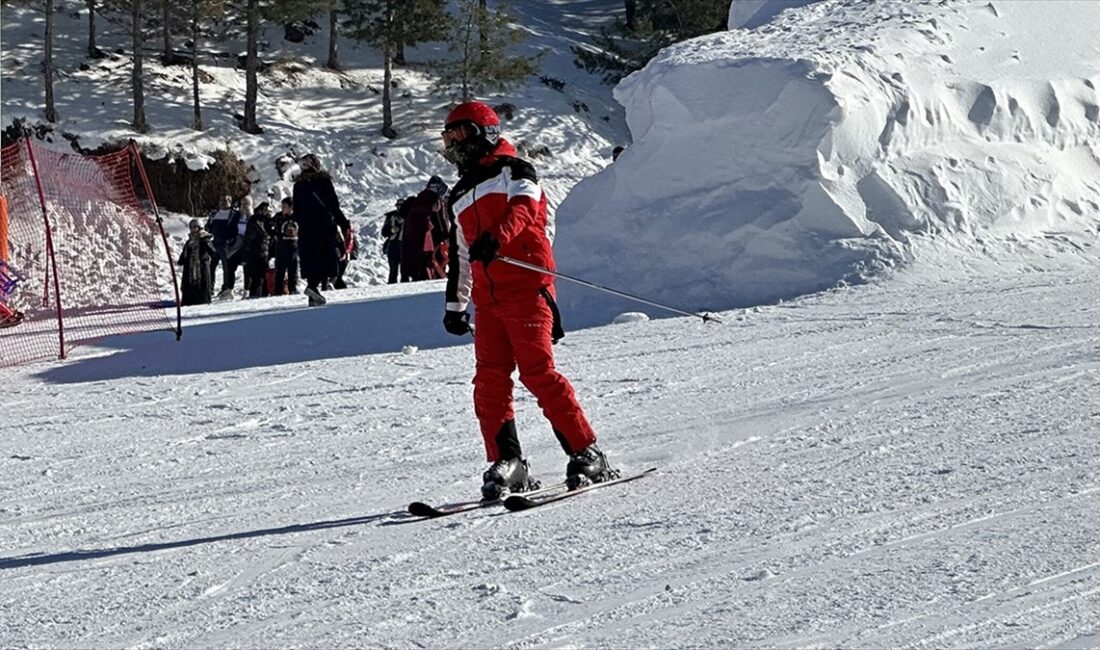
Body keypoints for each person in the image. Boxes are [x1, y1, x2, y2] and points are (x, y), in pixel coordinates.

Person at [440, 101, 617, 499]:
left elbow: (524, 209)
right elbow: (462, 254)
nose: (455, 143)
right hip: (489, 301)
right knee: (489, 382)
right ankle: (509, 462)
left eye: (462, 133)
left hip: (526, 287)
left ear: (485, 131)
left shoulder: (515, 171)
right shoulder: (459, 194)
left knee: (538, 373)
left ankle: (586, 451)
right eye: (449, 137)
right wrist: (455, 306)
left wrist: (497, 238)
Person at [293, 153, 349, 306]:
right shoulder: (323, 182)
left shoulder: (298, 185)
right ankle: (312, 288)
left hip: (306, 228)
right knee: (325, 258)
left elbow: (296, 210)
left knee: (311, 259)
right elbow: (333, 206)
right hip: (323, 226)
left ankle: (313, 295)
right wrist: (343, 223)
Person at [177, 219, 216, 306]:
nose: (193, 229)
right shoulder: (189, 241)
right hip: (189, 267)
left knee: (202, 284)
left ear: (200, 227)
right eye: (191, 227)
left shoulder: (205, 239)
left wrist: (207, 258)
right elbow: (185, 252)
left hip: (201, 266)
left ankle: (202, 300)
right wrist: (181, 260)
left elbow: (213, 252)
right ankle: (189, 301)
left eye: (195, 227)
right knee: (189, 284)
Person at [206, 195, 237, 296]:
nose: (223, 202)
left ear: (230, 202)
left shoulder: (234, 214)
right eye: (221, 200)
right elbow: (209, 226)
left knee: (226, 267)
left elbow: (235, 228)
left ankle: (226, 288)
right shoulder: (214, 213)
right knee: (211, 266)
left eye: (225, 200)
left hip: (226, 244)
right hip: (215, 242)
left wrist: (231, 239)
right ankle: (209, 288)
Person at [241, 201, 273, 298]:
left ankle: (262, 294)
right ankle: (256, 295)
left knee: (263, 276)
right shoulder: (255, 221)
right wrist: (245, 255)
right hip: (256, 252)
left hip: (264, 252)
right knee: (257, 277)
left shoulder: (266, 221)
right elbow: (249, 239)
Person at [273, 197, 299, 295]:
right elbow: (270, 226)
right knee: (280, 272)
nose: (283, 208)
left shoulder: (297, 216)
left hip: (293, 248)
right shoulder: (278, 217)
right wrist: (276, 235)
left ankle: (293, 289)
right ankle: (278, 292)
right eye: (282, 206)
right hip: (281, 248)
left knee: (293, 272)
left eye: (285, 206)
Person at [381, 198, 405, 284]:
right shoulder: (391, 216)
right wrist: (391, 230)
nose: (400, 207)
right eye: (398, 205)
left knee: (404, 271)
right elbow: (384, 232)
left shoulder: (410, 215)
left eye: (402, 206)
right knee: (393, 271)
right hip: (393, 245)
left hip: (405, 246)